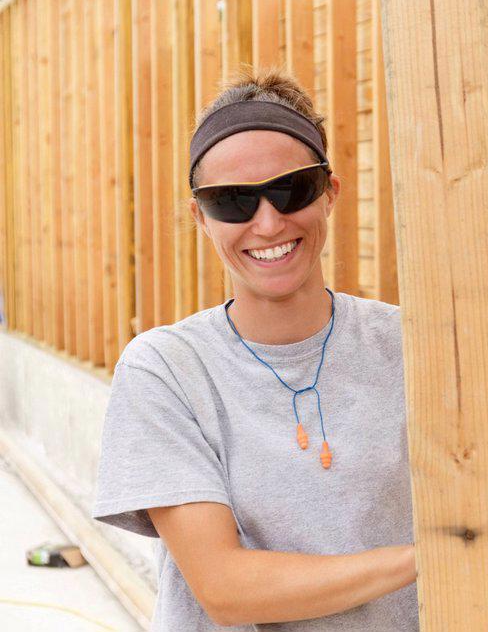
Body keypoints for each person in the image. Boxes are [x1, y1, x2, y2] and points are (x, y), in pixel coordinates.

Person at [91, 70, 417, 630]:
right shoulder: (165, 370)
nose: (268, 223)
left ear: (330, 192)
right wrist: (435, 554)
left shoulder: (411, 346)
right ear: (201, 216)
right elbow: (225, 588)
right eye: (232, 201)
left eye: (291, 189)